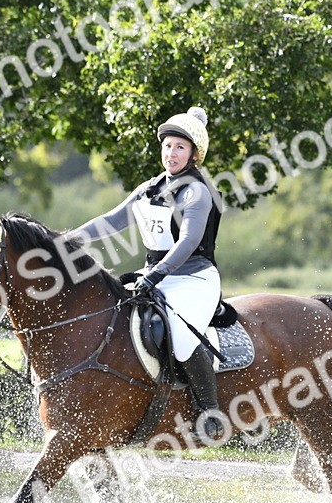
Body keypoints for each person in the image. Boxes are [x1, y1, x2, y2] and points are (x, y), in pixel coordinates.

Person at [70, 106, 225, 446]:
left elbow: (188, 242)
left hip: (194, 277)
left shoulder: (196, 192)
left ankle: (210, 411)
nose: (171, 153)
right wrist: (67, 239)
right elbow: (110, 221)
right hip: (155, 274)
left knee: (182, 336)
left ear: (194, 154)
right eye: (168, 146)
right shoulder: (150, 188)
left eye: (180, 148)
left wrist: (154, 276)